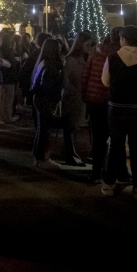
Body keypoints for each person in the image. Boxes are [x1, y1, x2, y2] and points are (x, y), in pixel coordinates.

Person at [100, 25, 137, 199]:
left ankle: (109, 184)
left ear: (123, 39)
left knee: (115, 146)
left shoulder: (112, 58)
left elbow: (105, 81)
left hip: (117, 107)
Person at [82, 27, 121, 182]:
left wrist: (85, 95)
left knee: (98, 137)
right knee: (115, 137)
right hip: (113, 100)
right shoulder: (120, 55)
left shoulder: (96, 52)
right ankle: (114, 171)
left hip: (94, 99)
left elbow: (85, 74)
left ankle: (96, 172)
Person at [30, 38, 63, 169]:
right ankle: (43, 158)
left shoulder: (43, 62)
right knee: (45, 130)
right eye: (59, 47)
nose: (60, 49)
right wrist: (55, 99)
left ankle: (38, 157)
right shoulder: (50, 65)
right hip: (46, 100)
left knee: (41, 129)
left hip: (40, 99)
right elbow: (48, 85)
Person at [61, 31, 92, 167]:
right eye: (87, 44)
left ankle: (72, 154)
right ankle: (70, 155)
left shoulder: (86, 58)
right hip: (73, 99)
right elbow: (65, 80)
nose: (89, 47)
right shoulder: (71, 60)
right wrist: (74, 92)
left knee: (75, 127)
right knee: (70, 128)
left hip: (81, 98)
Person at [0, 30, 20, 125]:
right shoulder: (9, 51)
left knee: (1, 100)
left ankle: (1, 116)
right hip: (10, 77)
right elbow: (12, 65)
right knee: (8, 99)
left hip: (2, 77)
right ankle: (8, 117)